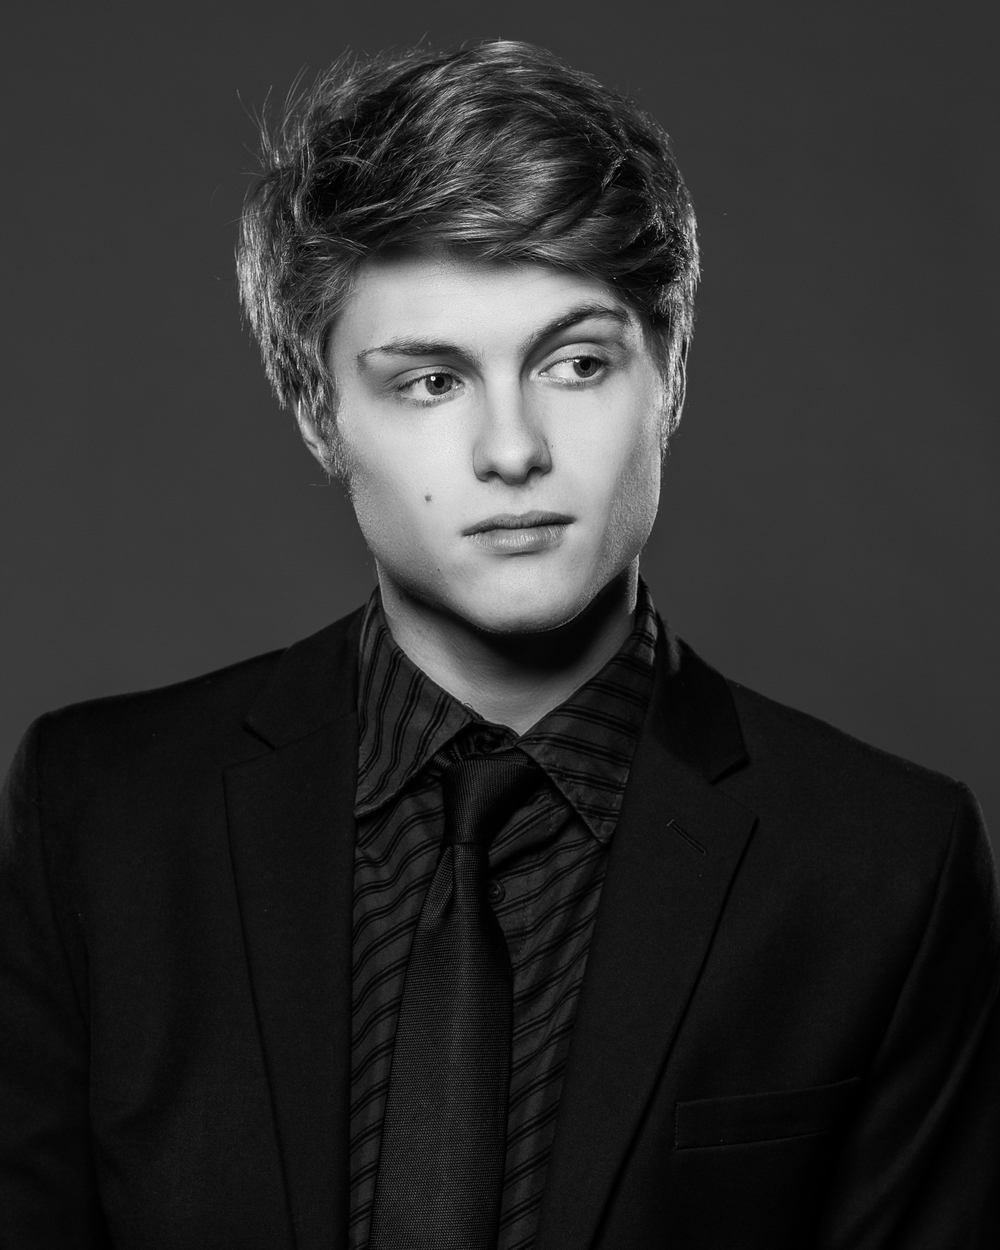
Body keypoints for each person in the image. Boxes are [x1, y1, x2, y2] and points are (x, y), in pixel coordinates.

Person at [1, 39, 997, 1250]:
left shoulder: (885, 866)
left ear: (669, 373)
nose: (512, 448)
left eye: (574, 363)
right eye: (430, 381)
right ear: (320, 411)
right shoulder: (98, 812)